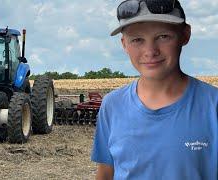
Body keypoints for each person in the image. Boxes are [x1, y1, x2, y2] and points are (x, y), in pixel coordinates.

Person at [91, 0, 218, 179]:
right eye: (137, 40)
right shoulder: (112, 105)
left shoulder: (213, 105)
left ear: (185, 35)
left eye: (163, 36)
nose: (150, 51)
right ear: (124, 44)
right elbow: (105, 173)